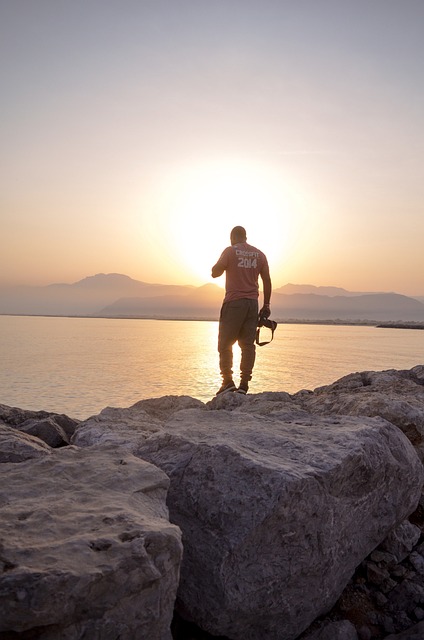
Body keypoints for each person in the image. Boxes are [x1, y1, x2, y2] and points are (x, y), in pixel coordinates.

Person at [211, 225, 272, 395]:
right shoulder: (259, 254)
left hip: (234, 303)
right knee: (247, 345)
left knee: (225, 343)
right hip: (252, 304)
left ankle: (228, 381)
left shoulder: (230, 251)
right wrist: (266, 305)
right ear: (246, 236)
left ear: (232, 238)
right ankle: (244, 385)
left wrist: (217, 267)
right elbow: (267, 280)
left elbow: (215, 273)